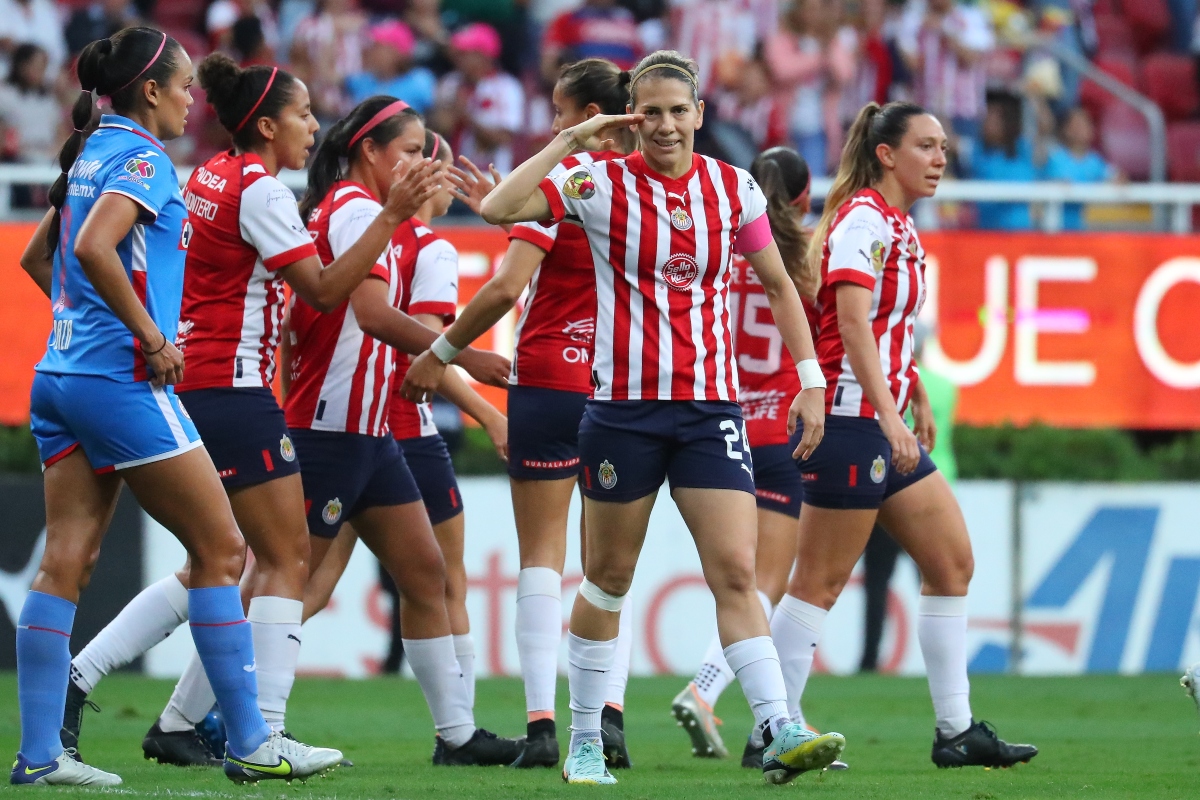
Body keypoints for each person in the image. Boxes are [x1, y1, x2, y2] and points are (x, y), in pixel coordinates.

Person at [404, 49, 847, 786]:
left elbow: (778, 284)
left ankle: (777, 723)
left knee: (737, 571)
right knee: (607, 579)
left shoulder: (734, 191)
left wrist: (810, 382)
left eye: (680, 110)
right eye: (652, 112)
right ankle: (582, 738)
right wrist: (571, 139)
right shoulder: (597, 181)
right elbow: (497, 208)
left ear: (700, 114)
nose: (667, 125)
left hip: (710, 411)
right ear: (630, 117)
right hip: (621, 414)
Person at [57, 74, 496, 768]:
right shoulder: (275, 192)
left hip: (243, 389)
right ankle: (255, 732)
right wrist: (398, 232)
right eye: (301, 112)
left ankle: (451, 733)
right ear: (266, 125)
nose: (310, 125)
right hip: (249, 392)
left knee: (256, 561)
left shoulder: (214, 172)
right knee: (276, 564)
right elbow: (327, 295)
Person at [12, 27, 338, 787]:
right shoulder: (141, 157)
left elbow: (42, 259)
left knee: (66, 561)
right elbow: (96, 247)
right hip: (119, 383)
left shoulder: (87, 152)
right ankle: (253, 740)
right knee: (225, 552)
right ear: (150, 90)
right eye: (185, 85)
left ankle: (38, 755)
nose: (194, 100)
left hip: (58, 374)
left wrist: (88, 332)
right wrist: (148, 334)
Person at [769, 100, 1038, 769]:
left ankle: (956, 732)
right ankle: (773, 729)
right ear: (887, 154)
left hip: (881, 419)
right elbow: (852, 324)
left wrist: (912, 382)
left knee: (951, 564)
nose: (941, 157)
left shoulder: (899, 227)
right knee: (818, 585)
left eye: (944, 146)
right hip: (854, 420)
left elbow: (882, 328)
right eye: (926, 145)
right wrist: (891, 414)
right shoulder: (864, 218)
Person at [406, 57, 641, 772]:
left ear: (591, 116)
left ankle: (542, 725)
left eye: (563, 114)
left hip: (545, 379)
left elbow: (509, 287)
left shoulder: (567, 182)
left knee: (542, 558)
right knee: (610, 571)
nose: (554, 128)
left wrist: (445, 349)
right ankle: (609, 720)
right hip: (621, 385)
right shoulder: (655, 185)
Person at [285, 95, 522, 766]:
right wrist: (471, 371)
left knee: (423, 576)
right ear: (372, 151)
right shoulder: (380, 222)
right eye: (414, 152)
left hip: (371, 429)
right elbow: (389, 330)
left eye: (428, 155)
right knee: (288, 582)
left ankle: (459, 735)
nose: (426, 169)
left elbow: (308, 327)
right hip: (351, 426)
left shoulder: (355, 215)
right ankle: (214, 718)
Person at [671, 145, 820, 764]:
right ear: (804, 198)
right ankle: (705, 693)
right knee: (762, 584)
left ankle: (786, 718)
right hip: (782, 425)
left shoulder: (723, 244)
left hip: (726, 422)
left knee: (739, 578)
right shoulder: (806, 258)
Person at [764, 0, 856, 176]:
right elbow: (781, 70)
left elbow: (845, 74)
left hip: (817, 128)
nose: (812, 14)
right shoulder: (783, 38)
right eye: (807, 8)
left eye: (817, 9)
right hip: (782, 126)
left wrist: (828, 44)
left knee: (812, 184)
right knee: (781, 184)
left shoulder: (833, 41)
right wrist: (819, 59)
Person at [430, 23, 524, 175]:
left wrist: (466, 115)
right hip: (450, 176)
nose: (459, 59)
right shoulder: (450, 82)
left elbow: (502, 138)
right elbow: (436, 130)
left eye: (466, 53)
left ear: (485, 55)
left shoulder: (506, 87)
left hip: (491, 176)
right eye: (458, 53)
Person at [1041, 106, 1119, 232]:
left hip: (1081, 231)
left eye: (1086, 123)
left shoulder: (1095, 161)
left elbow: (1116, 177)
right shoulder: (1053, 155)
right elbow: (1044, 126)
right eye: (1077, 124)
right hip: (1051, 228)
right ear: (1066, 129)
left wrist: (1118, 180)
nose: (1082, 128)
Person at [972, 89, 1037, 230]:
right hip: (986, 235)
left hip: (1020, 234)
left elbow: (1045, 127)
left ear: (1007, 122)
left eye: (994, 118)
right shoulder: (976, 152)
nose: (987, 122)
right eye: (987, 116)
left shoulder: (1024, 149)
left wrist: (1035, 99)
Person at [345, 21, 437, 113]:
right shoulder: (360, 80)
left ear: (397, 52)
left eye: (378, 46)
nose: (371, 51)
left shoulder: (420, 81)